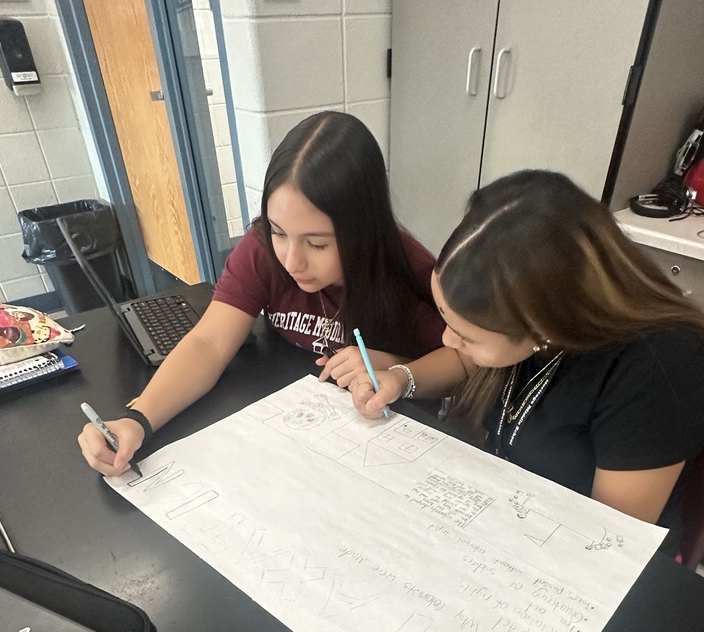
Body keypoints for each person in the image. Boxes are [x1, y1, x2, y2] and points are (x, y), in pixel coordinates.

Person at [350, 169, 704, 547]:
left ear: (543, 324)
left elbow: (608, 538)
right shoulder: (531, 322)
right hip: (506, 513)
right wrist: (402, 378)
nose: (447, 339)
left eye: (466, 334)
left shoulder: (662, 369)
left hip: (574, 553)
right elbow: (470, 359)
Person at [78, 110, 443, 476]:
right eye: (279, 232)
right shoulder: (262, 250)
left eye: (316, 244)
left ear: (364, 232)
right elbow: (210, 342)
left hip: (393, 447)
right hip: (304, 440)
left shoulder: (407, 269)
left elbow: (468, 362)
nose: (291, 261)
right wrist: (138, 419)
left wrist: (396, 367)